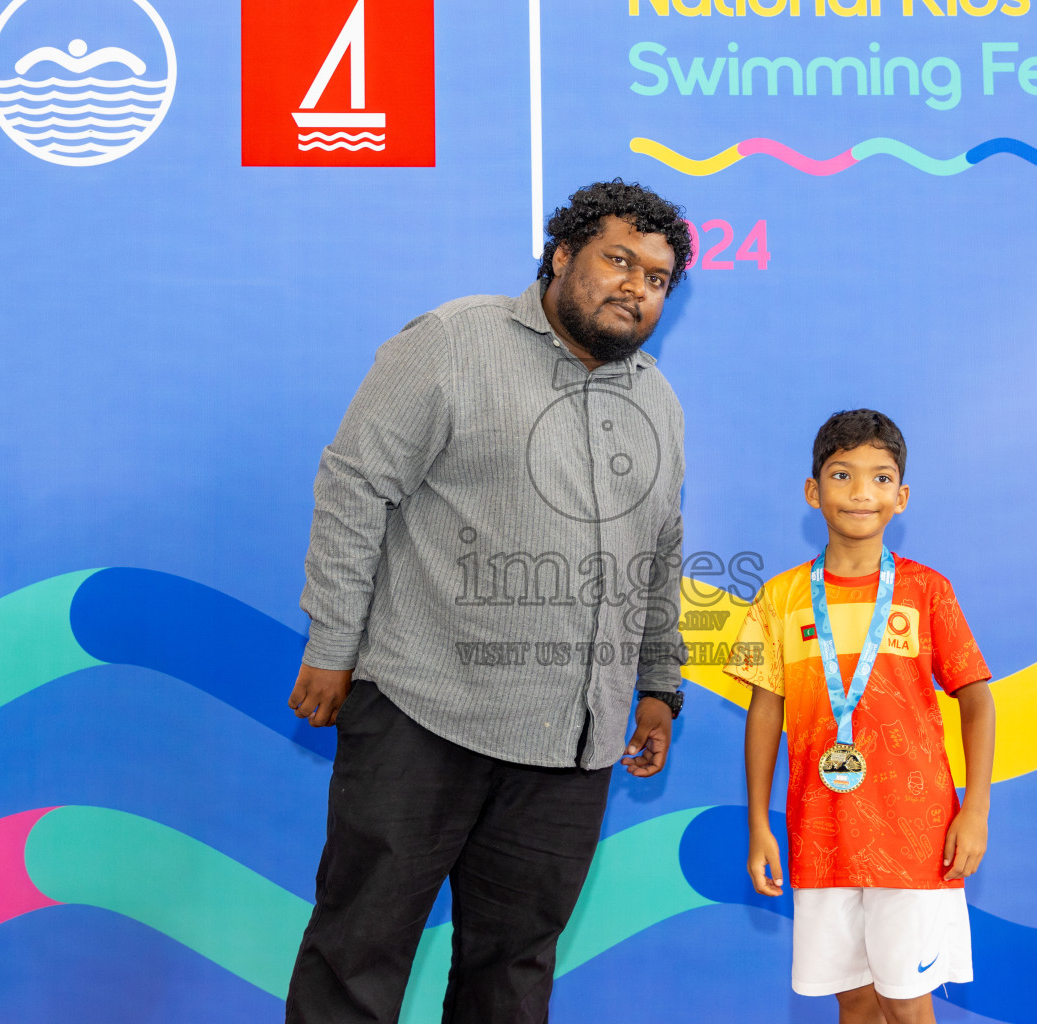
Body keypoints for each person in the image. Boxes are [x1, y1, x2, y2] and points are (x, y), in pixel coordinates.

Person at [281, 180, 693, 1024]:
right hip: (423, 714)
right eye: (619, 260)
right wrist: (332, 646)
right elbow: (356, 487)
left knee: (511, 977)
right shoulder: (451, 343)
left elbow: (659, 551)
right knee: (359, 954)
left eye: (656, 279)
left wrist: (658, 683)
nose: (635, 287)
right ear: (560, 254)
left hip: (572, 744)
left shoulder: (657, 398)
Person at [726, 409, 996, 1024]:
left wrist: (974, 809)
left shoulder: (929, 591)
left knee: (906, 1002)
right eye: (842, 474)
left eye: (880, 478)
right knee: (853, 1000)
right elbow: (764, 714)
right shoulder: (778, 597)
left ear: (900, 498)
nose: (860, 493)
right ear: (812, 491)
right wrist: (757, 826)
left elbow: (978, 699)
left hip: (914, 833)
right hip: (821, 831)